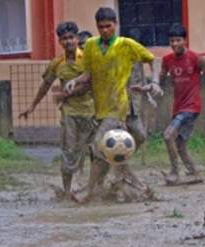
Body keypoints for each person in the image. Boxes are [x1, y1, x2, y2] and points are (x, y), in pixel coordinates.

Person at [65, 7, 161, 201]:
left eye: (108, 26)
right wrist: (75, 81)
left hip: (120, 105)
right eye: (101, 27)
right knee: (107, 148)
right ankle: (120, 183)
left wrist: (155, 83)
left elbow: (154, 60)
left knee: (129, 139)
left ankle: (94, 189)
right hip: (103, 107)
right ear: (97, 27)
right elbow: (88, 74)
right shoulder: (91, 45)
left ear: (115, 25)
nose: (105, 31)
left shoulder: (126, 44)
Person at [19, 22, 95, 199]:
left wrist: (64, 94)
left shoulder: (88, 59)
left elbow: (91, 84)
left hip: (91, 111)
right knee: (69, 152)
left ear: (77, 38)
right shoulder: (57, 63)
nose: (68, 42)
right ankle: (67, 191)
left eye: (71, 38)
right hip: (69, 114)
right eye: (64, 39)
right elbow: (45, 86)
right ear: (59, 41)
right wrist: (32, 106)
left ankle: (94, 187)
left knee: (95, 151)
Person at [134, 24, 205, 183]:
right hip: (178, 107)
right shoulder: (167, 60)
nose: (174, 44)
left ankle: (174, 172)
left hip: (192, 107)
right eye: (171, 41)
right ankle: (194, 173)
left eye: (178, 40)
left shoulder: (196, 58)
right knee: (179, 144)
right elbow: (159, 81)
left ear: (185, 40)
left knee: (167, 136)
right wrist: (148, 88)